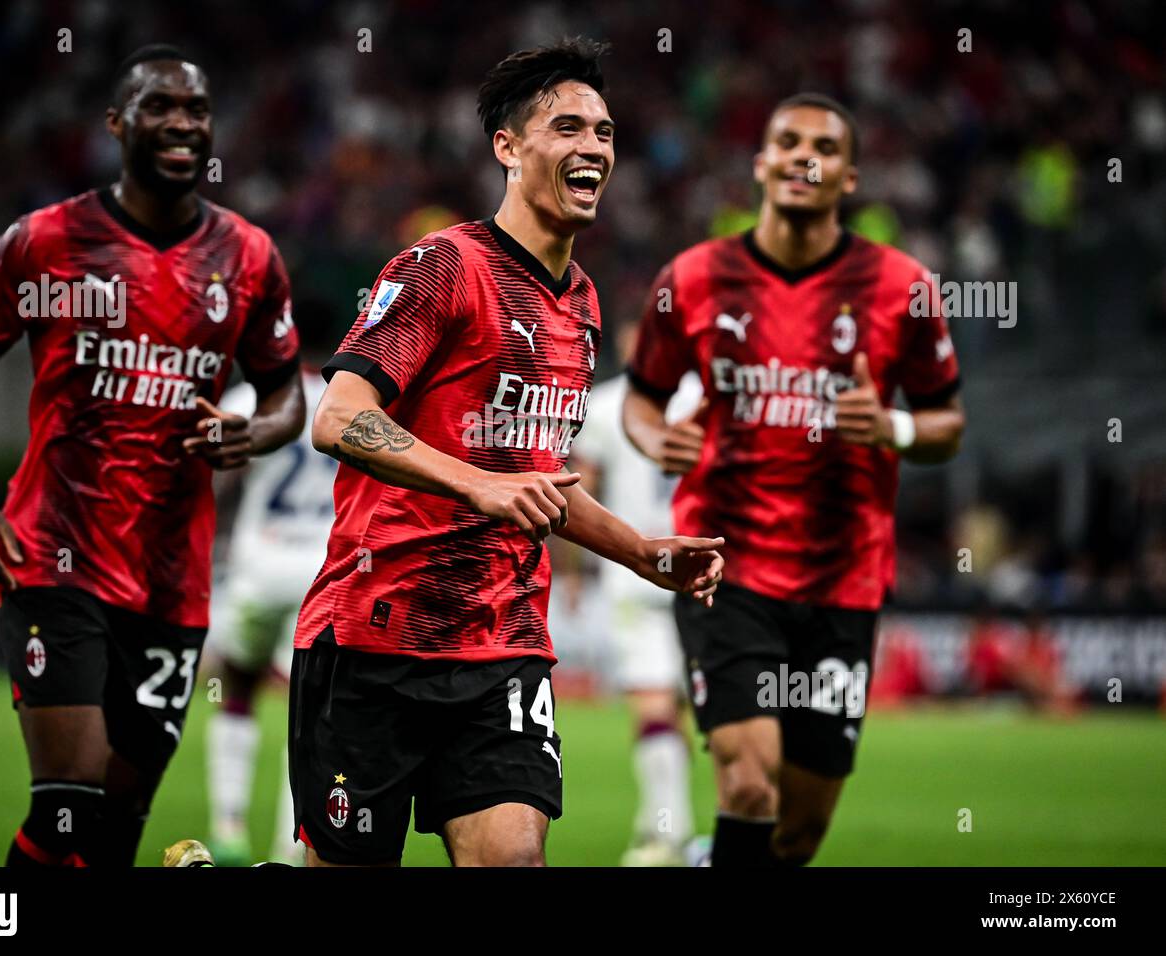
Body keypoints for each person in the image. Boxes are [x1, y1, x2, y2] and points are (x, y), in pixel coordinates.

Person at [288, 38, 724, 867]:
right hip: (376, 636)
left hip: (503, 645)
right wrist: (475, 485)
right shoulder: (441, 268)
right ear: (509, 147)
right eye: (568, 127)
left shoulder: (584, 305)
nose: (594, 146)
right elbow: (339, 417)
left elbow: (540, 480)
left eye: (603, 131)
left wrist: (642, 552)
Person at [0, 44, 304, 867]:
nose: (181, 123)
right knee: (69, 803)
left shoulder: (248, 258)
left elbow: (287, 397)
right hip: (53, 557)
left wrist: (256, 432)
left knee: (116, 827)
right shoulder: (47, 242)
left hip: (173, 579)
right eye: (159, 106)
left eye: (196, 110)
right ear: (116, 125)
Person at [624, 93, 965, 866]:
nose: (803, 155)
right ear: (761, 164)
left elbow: (948, 422)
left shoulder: (901, 287)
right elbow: (641, 402)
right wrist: (659, 439)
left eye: (824, 146)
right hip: (724, 569)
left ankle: (710, 859)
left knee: (797, 834)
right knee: (748, 786)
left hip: (842, 583)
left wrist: (897, 429)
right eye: (786, 140)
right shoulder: (695, 277)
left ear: (848, 176)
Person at [569, 318, 703, 866]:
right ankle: (675, 829)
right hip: (708, 568)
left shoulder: (604, 406)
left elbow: (578, 492)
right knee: (682, 709)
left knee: (653, 707)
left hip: (636, 569)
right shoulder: (712, 398)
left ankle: (664, 836)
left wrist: (575, 571)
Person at [204, 365, 335, 866]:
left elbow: (220, 475)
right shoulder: (352, 394)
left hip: (258, 566)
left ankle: (230, 826)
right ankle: (291, 845)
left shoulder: (251, 396)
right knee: (307, 711)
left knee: (237, 685)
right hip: (320, 569)